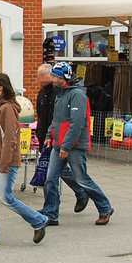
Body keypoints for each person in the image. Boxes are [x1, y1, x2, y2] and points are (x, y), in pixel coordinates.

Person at [0, 72, 48, 246]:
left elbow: (11, 139)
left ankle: (38, 220)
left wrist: (4, 163)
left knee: (6, 197)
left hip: (6, 161)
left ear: (1, 87)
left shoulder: (7, 109)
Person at [41, 62, 114, 226]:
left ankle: (105, 207)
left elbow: (77, 123)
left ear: (63, 78)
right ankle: (51, 214)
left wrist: (66, 146)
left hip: (73, 146)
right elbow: (56, 119)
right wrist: (49, 135)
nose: (51, 78)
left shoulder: (77, 95)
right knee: (50, 179)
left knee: (82, 180)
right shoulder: (60, 93)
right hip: (59, 144)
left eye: (54, 76)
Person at [36, 64, 88, 217]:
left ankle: (89, 196)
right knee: (51, 176)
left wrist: (65, 144)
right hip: (51, 138)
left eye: (40, 75)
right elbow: (46, 117)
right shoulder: (44, 93)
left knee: (73, 175)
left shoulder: (65, 93)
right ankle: (51, 210)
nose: (38, 79)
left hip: (64, 140)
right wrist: (45, 135)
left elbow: (73, 121)